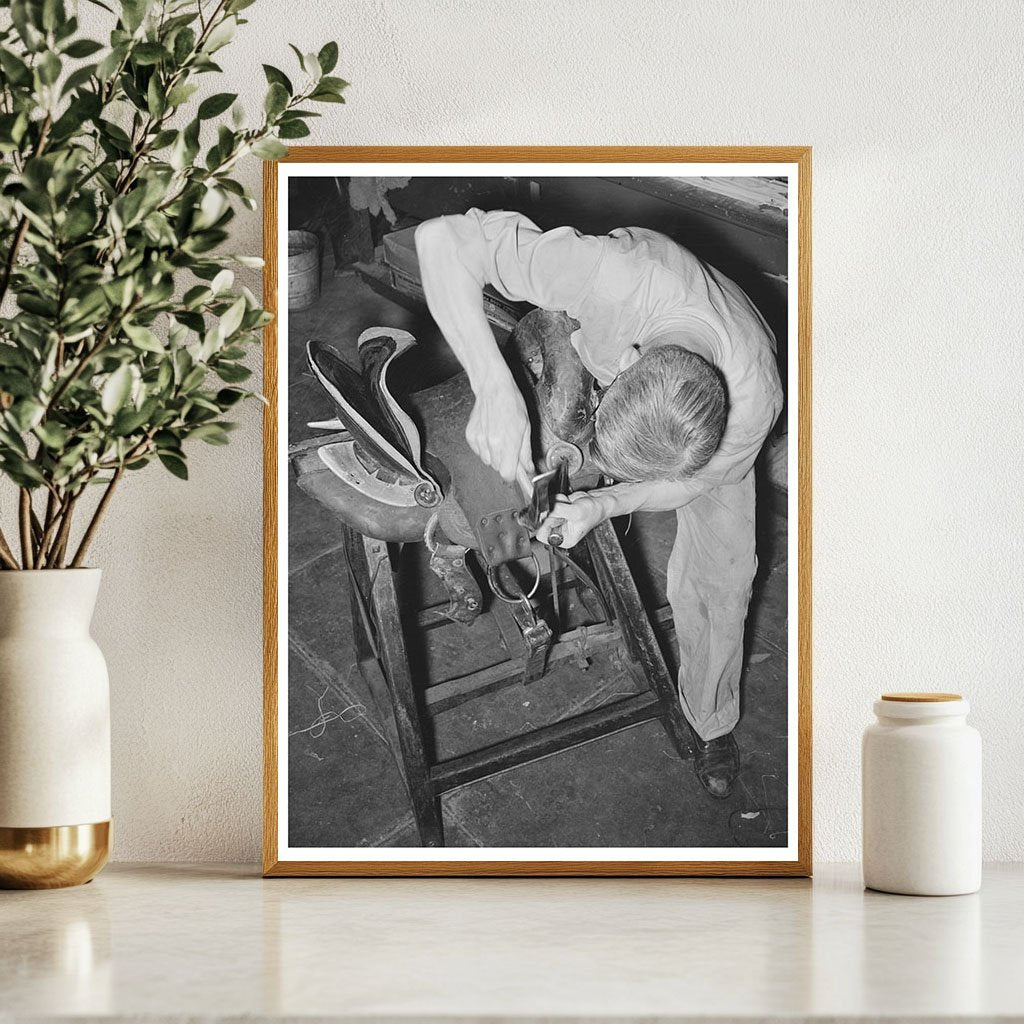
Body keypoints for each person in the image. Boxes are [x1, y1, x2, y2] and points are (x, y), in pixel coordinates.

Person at [415, 208, 783, 799]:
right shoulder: (613, 276)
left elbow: (690, 484)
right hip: (603, 328)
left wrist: (603, 505)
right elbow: (439, 237)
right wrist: (492, 386)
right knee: (517, 434)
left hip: (708, 432)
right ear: (630, 362)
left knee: (726, 577)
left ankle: (712, 719)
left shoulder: (754, 401)